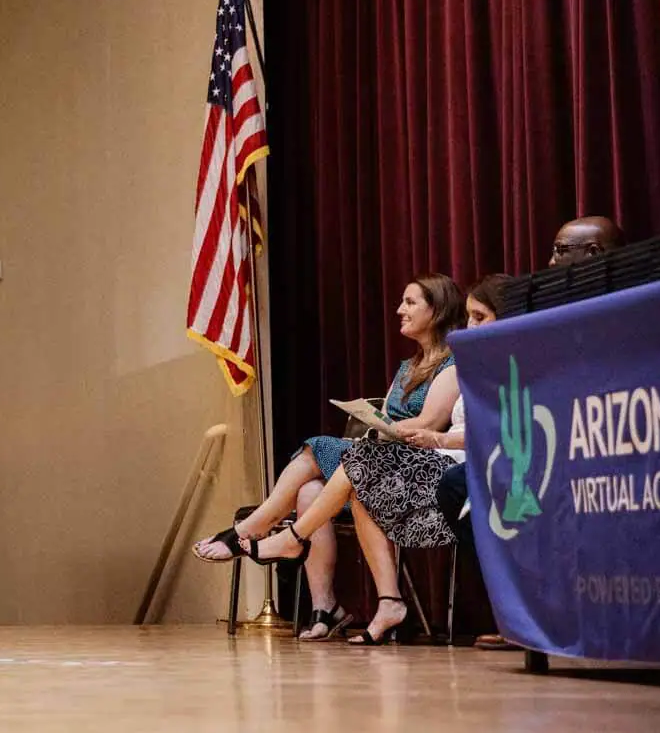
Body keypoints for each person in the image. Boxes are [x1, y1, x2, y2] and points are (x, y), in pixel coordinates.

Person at [193, 274, 465, 640]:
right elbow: (392, 416)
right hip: (383, 457)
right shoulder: (407, 367)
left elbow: (427, 423)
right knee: (308, 492)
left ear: (438, 310)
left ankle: (259, 531)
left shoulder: (451, 364)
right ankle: (325, 607)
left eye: (411, 302)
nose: (400, 310)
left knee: (316, 445)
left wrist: (381, 426)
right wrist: (377, 422)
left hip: (413, 466)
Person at [448, 215, 626, 649]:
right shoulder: (546, 311)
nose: (549, 260)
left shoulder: (629, 302)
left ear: (595, 254)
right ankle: (526, 613)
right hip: (547, 436)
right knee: (458, 485)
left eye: (560, 250)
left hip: (604, 437)